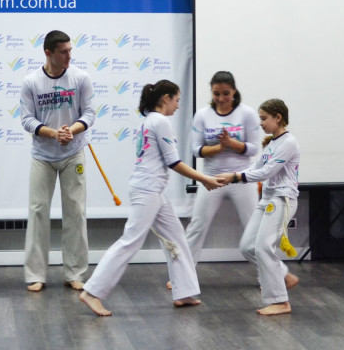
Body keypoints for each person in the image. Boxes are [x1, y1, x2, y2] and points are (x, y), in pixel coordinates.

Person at [79, 80, 224, 316]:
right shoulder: (160, 121)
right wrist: (204, 178)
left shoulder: (149, 121)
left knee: (176, 237)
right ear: (166, 98)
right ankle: (92, 292)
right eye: (177, 100)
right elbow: (174, 162)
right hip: (147, 190)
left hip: (152, 190)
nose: (178, 106)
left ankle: (184, 292)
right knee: (130, 241)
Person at [168, 72, 260, 289]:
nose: (221, 98)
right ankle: (182, 276)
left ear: (234, 91)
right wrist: (220, 147)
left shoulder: (247, 114)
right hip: (211, 178)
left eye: (226, 93)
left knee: (254, 228)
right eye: (216, 94)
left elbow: (254, 149)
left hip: (241, 178)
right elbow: (196, 150)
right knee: (197, 226)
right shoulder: (203, 115)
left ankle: (268, 276)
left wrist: (232, 144)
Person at [20, 30, 96, 292]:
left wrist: (71, 131)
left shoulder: (81, 77)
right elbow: (27, 120)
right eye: (63, 52)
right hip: (42, 156)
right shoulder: (31, 81)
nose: (68, 56)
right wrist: (54, 133)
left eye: (70, 50)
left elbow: (89, 113)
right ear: (48, 53)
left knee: (76, 212)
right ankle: (36, 274)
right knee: (38, 211)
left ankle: (74, 273)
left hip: (73, 153)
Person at [217, 99, 300, 316]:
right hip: (268, 199)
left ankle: (280, 301)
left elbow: (267, 172)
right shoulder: (272, 143)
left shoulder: (288, 143)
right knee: (247, 246)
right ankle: (282, 276)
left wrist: (235, 177)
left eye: (264, 119)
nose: (261, 123)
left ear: (278, 118)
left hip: (282, 200)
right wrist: (230, 176)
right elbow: (256, 168)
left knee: (263, 247)